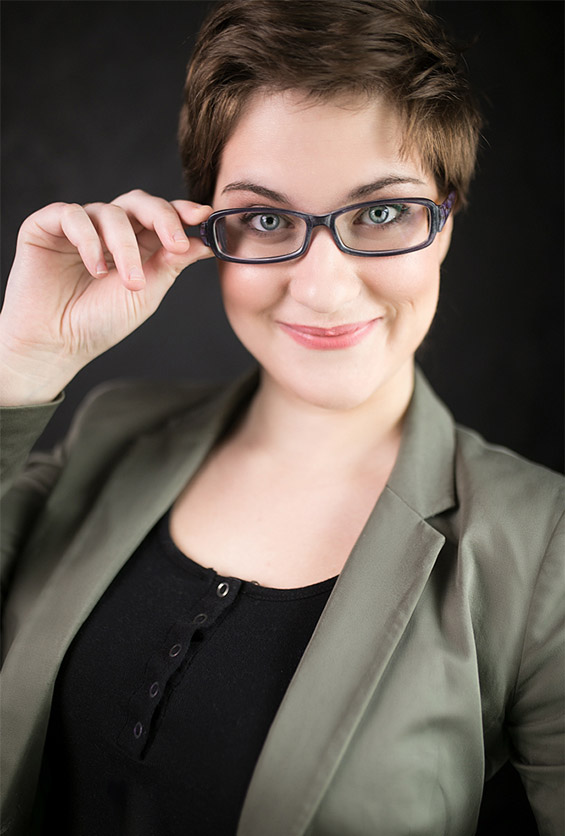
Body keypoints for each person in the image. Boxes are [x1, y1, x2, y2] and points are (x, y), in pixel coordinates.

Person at [0, 0, 563, 834]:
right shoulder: (107, 435)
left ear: (445, 218)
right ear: (201, 227)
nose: (325, 286)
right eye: (267, 219)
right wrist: (21, 365)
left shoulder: (543, 545)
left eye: (380, 212)